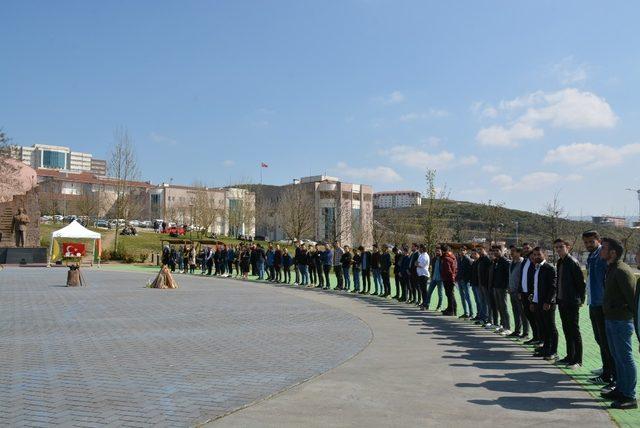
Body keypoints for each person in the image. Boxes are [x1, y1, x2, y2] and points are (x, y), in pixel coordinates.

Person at [599, 238, 637, 409]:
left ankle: (630, 396)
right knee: (617, 357)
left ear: (613, 252)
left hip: (621, 322)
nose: (601, 250)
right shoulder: (611, 268)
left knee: (625, 358)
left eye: (604, 248)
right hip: (611, 319)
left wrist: (621, 309)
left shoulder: (622, 271)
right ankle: (621, 389)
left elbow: (633, 300)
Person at [583, 230, 616, 388]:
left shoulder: (601, 256)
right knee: (599, 339)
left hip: (602, 304)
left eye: (591, 242)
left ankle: (608, 375)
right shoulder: (592, 256)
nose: (589, 245)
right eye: (586, 242)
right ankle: (606, 368)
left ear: (598, 240)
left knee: (605, 341)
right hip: (593, 303)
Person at [554, 239, 586, 370]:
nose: (558, 249)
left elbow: (580, 283)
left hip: (572, 301)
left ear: (568, 247)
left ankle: (578, 360)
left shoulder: (572, 262)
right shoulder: (560, 262)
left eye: (561, 247)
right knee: (566, 329)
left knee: (574, 330)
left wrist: (580, 300)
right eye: (556, 247)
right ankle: (569, 356)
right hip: (562, 301)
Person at [530, 246, 558, 361]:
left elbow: (553, 287)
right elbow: (535, 286)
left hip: (547, 303)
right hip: (537, 302)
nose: (536, 257)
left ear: (544, 255)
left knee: (551, 327)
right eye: (535, 255)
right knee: (542, 326)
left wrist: (548, 301)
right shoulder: (537, 268)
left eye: (539, 255)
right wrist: (533, 301)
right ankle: (545, 348)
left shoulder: (549, 268)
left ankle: (553, 351)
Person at [519, 243, 540, 345]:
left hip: (532, 294)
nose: (526, 250)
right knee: (528, 314)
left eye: (528, 248)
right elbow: (522, 276)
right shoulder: (524, 261)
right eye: (524, 248)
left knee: (535, 316)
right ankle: (535, 336)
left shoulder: (534, 262)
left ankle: (539, 337)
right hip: (524, 292)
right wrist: (520, 291)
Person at [508, 247, 529, 338]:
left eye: (513, 252)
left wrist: (520, 290)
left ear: (519, 253)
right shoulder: (512, 263)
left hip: (519, 292)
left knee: (522, 312)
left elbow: (523, 278)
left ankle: (525, 332)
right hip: (512, 291)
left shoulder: (522, 263)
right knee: (515, 311)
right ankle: (517, 330)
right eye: (511, 251)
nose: (511, 253)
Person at [490, 246, 511, 335]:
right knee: (499, 307)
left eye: (497, 251)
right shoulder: (496, 261)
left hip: (502, 288)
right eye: (494, 251)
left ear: (502, 251)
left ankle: (508, 327)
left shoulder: (505, 262)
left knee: (504, 307)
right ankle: (502, 326)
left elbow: (508, 276)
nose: (495, 252)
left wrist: (506, 287)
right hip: (496, 287)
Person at [457, 246, 474, 319]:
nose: (462, 251)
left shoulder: (467, 259)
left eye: (463, 250)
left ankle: (471, 313)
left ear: (466, 251)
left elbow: (470, 271)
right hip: (460, 281)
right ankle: (465, 313)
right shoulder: (459, 259)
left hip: (465, 281)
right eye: (461, 250)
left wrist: (466, 280)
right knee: (462, 297)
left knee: (467, 297)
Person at [471, 249, 486, 325]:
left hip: (479, 285)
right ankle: (479, 315)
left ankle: (482, 316)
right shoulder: (474, 262)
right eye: (472, 254)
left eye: (475, 254)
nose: (473, 255)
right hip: (474, 284)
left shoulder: (480, 262)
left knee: (481, 301)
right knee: (477, 301)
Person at [417, 244, 431, 310]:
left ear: (422, 248)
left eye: (420, 248)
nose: (419, 249)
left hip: (424, 275)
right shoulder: (421, 255)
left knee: (424, 290)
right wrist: (417, 264)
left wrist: (417, 264)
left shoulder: (425, 256)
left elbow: (421, 264)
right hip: (420, 274)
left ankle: (426, 304)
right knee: (422, 290)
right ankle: (424, 302)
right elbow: (416, 263)